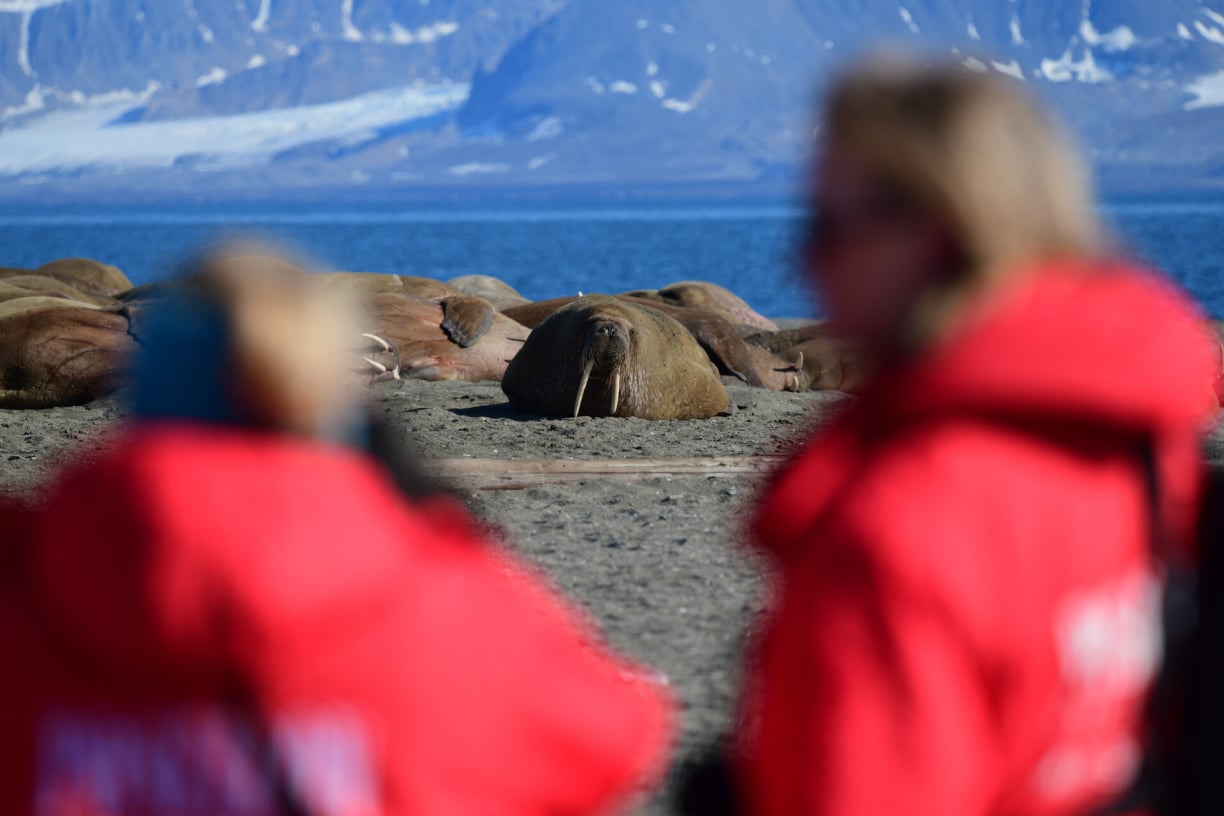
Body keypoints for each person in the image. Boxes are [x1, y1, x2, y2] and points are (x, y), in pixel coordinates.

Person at [0, 248, 672, 815]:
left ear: (141, 399)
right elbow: (620, 737)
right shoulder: (444, 612)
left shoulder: (26, 600)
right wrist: (440, 527)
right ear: (328, 410)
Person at [731, 60, 1220, 815]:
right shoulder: (1151, 460)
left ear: (937, 232)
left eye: (829, 226)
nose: (801, 260)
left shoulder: (899, 525)